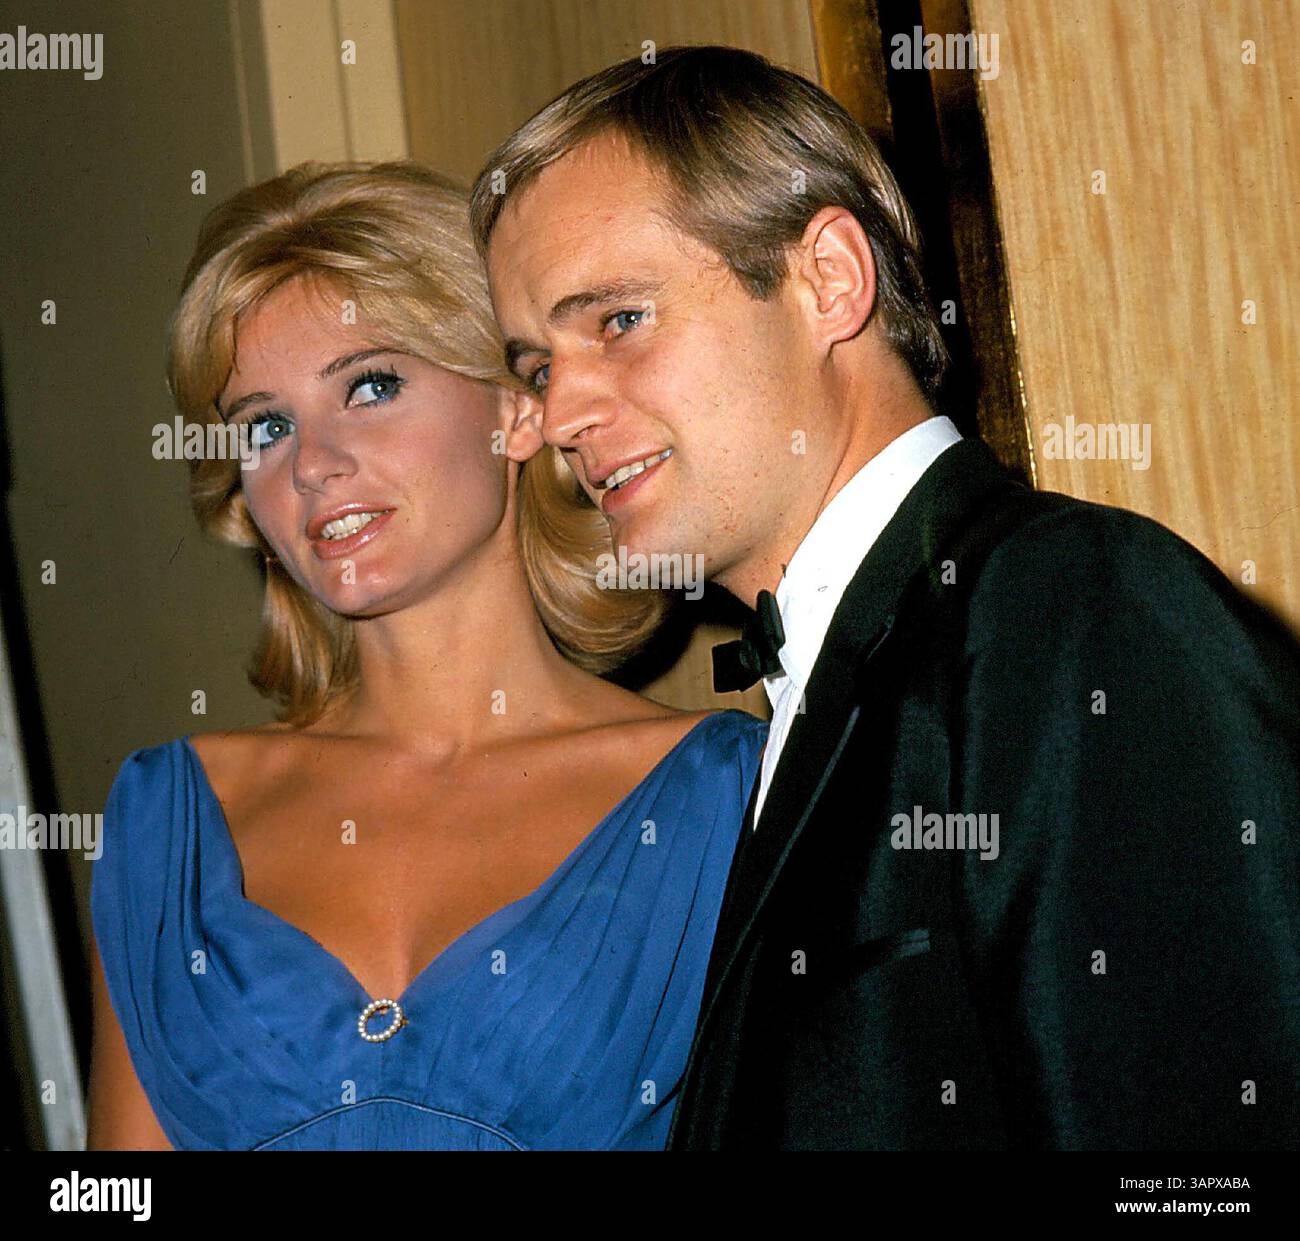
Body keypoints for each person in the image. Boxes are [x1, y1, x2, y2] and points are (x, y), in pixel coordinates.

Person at [470, 45, 1300, 1149]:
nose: (561, 413)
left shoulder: (1077, 609)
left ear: (829, 278)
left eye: (617, 320)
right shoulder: (805, 710)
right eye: (535, 366)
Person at [86, 160, 766, 1151]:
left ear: (516, 408)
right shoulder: (170, 821)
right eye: (265, 426)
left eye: (370, 384)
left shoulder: (725, 800)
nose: (311, 463)